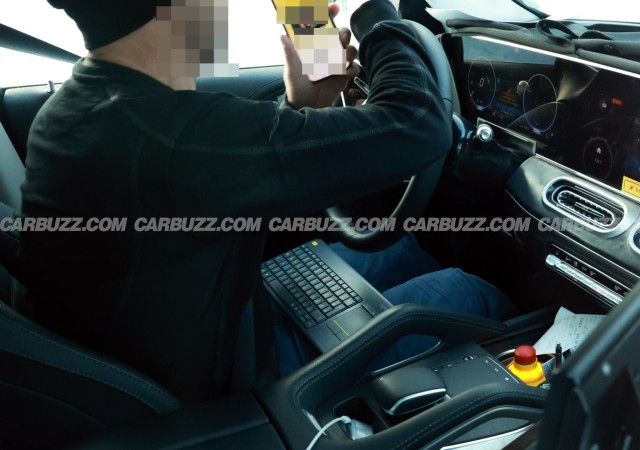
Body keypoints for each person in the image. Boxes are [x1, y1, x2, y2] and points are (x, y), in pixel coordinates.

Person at [21, 0, 515, 404]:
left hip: (220, 320)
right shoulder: (172, 135)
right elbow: (419, 124)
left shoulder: (81, 108)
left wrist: (302, 107)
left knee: (402, 248)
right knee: (469, 290)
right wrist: (376, 18)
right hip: (239, 384)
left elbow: (215, 174)